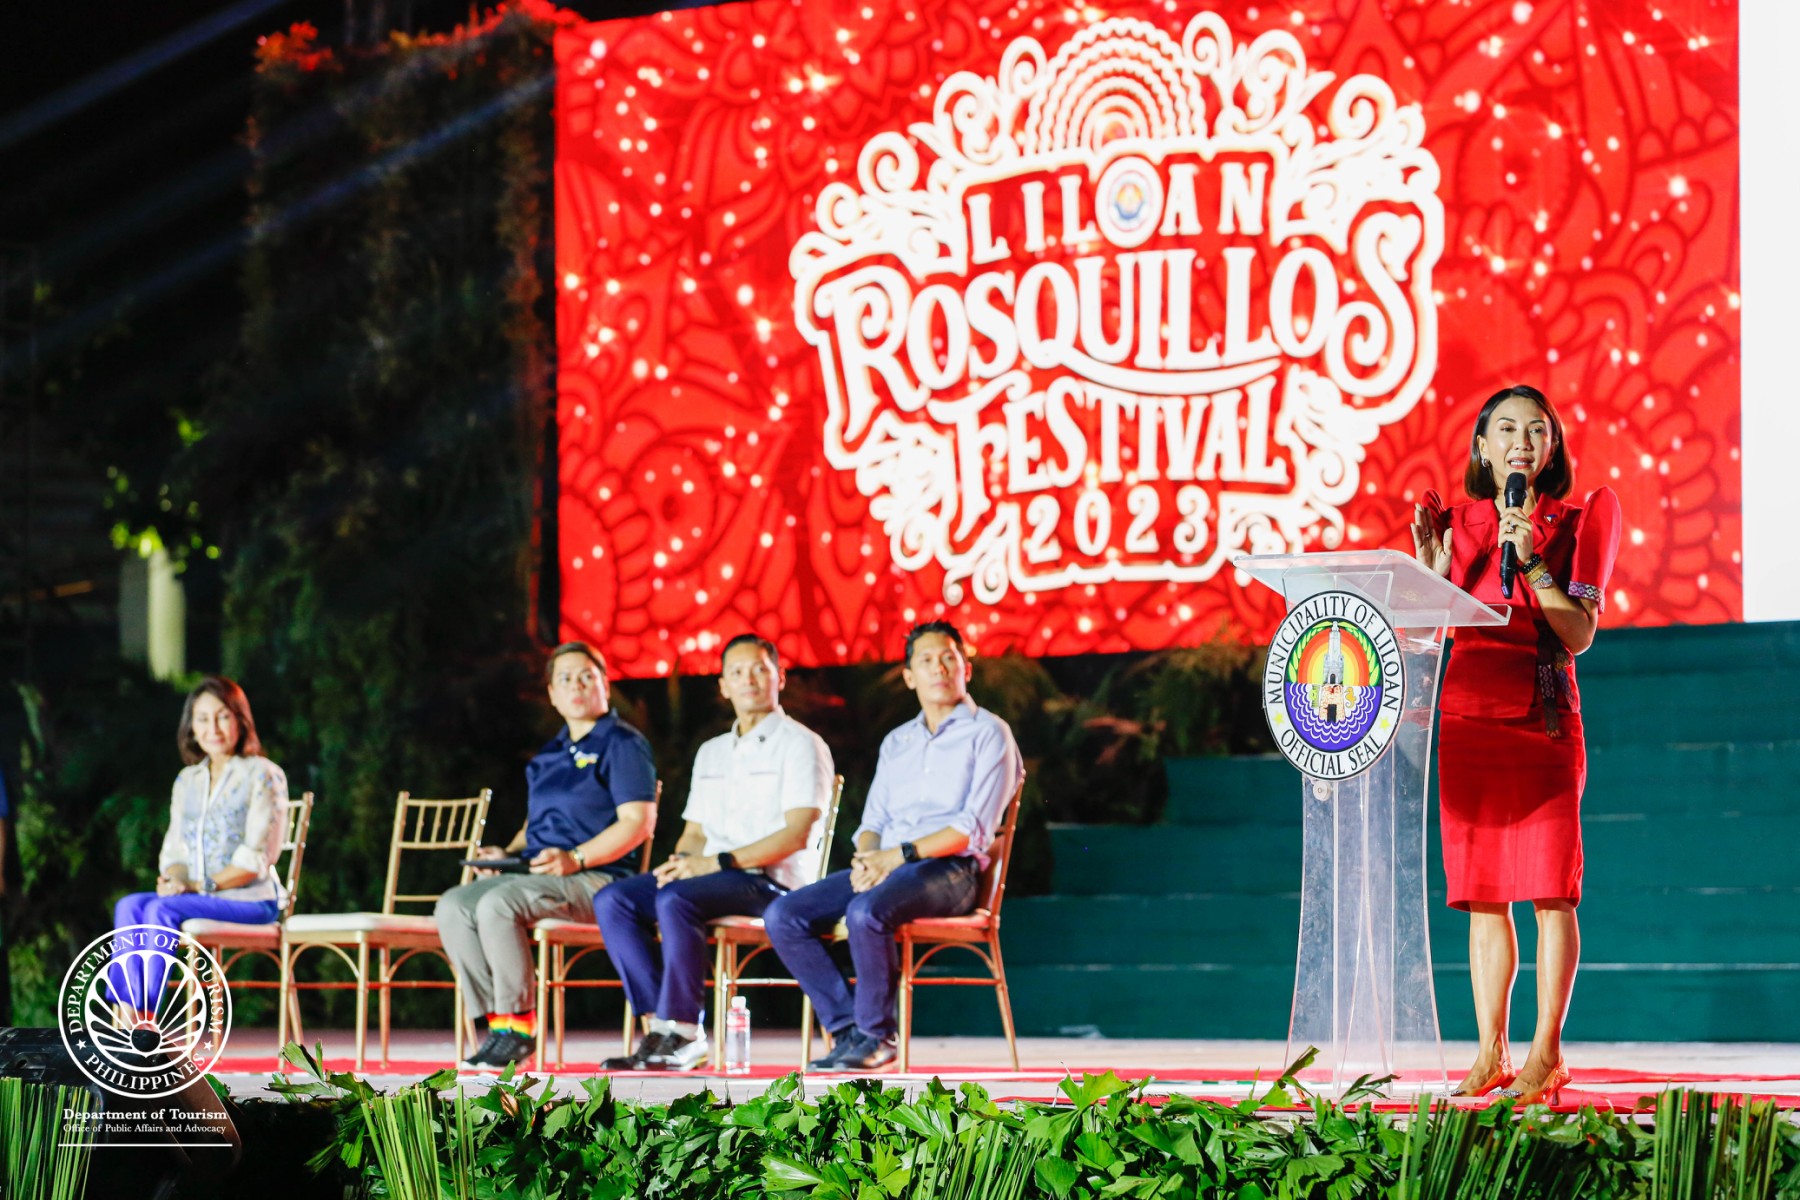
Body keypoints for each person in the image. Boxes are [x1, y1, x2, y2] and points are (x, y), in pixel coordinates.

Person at [1411, 383, 1621, 1105]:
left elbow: (1579, 634)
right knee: (1482, 898)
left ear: (1552, 446)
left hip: (1543, 721)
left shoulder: (1580, 517)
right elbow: (1437, 627)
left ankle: (1546, 1055)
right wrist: (1430, 574)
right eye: (1506, 429)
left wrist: (1531, 561)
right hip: (1467, 721)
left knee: (1549, 897)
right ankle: (1489, 1053)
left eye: (1537, 429)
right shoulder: (1459, 521)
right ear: (1482, 447)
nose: (1522, 442)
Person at [764, 620, 1023, 1071]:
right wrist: (868, 858)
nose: (939, 668)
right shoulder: (898, 741)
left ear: (966, 666)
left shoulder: (989, 732)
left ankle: (878, 1036)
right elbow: (874, 822)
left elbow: (972, 828)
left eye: (949, 657)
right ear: (909, 677)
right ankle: (849, 1030)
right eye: (926, 660)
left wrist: (894, 857)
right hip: (889, 867)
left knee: (866, 912)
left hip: (950, 871)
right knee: (784, 914)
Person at [593, 633, 832, 1071]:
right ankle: (659, 1025)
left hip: (772, 881)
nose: (750, 680)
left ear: (779, 676)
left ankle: (684, 1031)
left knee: (677, 898)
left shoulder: (801, 743)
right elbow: (695, 833)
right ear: (723, 686)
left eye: (760, 669)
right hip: (711, 876)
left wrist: (713, 864)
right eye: (737, 672)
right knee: (616, 899)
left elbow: (797, 833)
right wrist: (680, 862)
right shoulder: (713, 752)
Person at [440, 641, 656, 1071]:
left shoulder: (623, 743)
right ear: (553, 695)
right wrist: (507, 852)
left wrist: (575, 858)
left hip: (596, 877)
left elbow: (637, 823)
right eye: (565, 680)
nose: (576, 686)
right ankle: (499, 1025)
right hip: (540, 873)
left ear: (604, 685)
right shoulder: (551, 754)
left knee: (497, 903)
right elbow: (534, 825)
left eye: (586, 677)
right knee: (453, 904)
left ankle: (520, 1028)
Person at [107, 677, 289, 1017]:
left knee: (161, 911)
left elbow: (256, 859)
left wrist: (195, 887)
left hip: (251, 900)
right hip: (199, 897)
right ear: (191, 726)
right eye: (202, 718)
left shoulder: (263, 774)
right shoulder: (187, 780)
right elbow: (175, 851)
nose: (213, 728)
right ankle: (125, 1020)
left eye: (222, 716)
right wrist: (174, 879)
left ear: (240, 720)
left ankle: (143, 1024)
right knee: (130, 906)